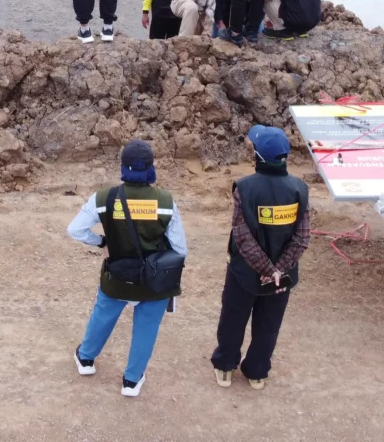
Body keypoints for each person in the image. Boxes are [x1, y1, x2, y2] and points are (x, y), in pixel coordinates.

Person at [67, 140, 187, 398]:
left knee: (103, 315)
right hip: (154, 284)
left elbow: (75, 229)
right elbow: (180, 249)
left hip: (117, 278)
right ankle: (131, 381)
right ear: (151, 168)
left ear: (123, 167)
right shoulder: (165, 201)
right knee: (146, 328)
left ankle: (86, 360)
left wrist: (102, 242)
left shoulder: (103, 198)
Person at [212, 125, 311, 390]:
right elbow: (302, 237)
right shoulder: (300, 188)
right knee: (269, 325)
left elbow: (242, 236)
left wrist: (266, 268)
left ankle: (225, 366)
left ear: (257, 155)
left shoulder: (244, 188)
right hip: (282, 277)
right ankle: (257, 371)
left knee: (233, 319)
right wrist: (278, 270)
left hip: (244, 273)